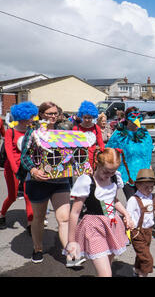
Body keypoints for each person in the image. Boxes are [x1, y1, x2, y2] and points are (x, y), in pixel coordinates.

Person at [18, 101, 73, 264]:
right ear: (41, 114)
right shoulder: (33, 132)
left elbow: (72, 153)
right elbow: (25, 156)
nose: (53, 116)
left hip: (61, 181)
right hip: (38, 181)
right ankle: (38, 249)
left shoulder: (63, 131)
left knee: (63, 218)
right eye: (49, 113)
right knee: (39, 218)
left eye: (55, 113)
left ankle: (69, 254)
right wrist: (33, 171)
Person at [65, 148, 132, 276]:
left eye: (112, 172)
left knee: (108, 266)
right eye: (106, 171)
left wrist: (126, 215)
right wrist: (71, 241)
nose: (109, 175)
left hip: (112, 224)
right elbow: (75, 212)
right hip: (93, 227)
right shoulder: (86, 181)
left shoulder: (114, 178)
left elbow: (113, 200)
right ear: (98, 163)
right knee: (106, 274)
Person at [0, 102, 37, 233]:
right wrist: (17, 171)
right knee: (12, 196)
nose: (33, 118)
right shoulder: (11, 132)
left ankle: (30, 224)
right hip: (12, 169)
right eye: (31, 116)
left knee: (28, 196)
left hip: (27, 168)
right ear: (23, 116)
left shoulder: (32, 132)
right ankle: (2, 214)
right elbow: (9, 153)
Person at [106, 107, 153, 200]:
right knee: (133, 201)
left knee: (144, 203)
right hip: (127, 175)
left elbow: (148, 153)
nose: (136, 121)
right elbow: (109, 151)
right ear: (127, 119)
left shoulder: (145, 134)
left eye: (138, 117)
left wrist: (149, 169)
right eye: (133, 118)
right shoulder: (119, 134)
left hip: (142, 175)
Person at [73, 101, 105, 168]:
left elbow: (101, 144)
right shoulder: (76, 128)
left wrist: (101, 150)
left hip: (94, 159)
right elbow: (73, 145)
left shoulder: (96, 128)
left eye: (89, 118)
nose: (87, 120)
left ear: (93, 117)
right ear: (82, 116)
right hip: (80, 159)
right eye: (85, 117)